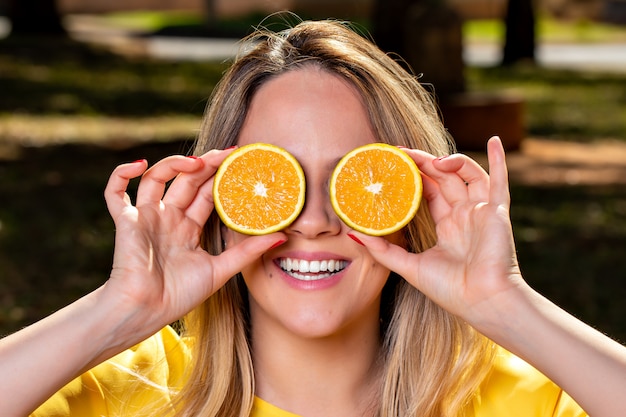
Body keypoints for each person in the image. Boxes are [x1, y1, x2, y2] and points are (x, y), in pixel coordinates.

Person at [1, 19, 625, 417]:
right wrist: (120, 309)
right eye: (275, 182)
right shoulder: (126, 395)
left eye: (357, 180)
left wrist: (503, 303)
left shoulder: (516, 399)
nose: (317, 220)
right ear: (217, 202)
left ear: (414, 203)